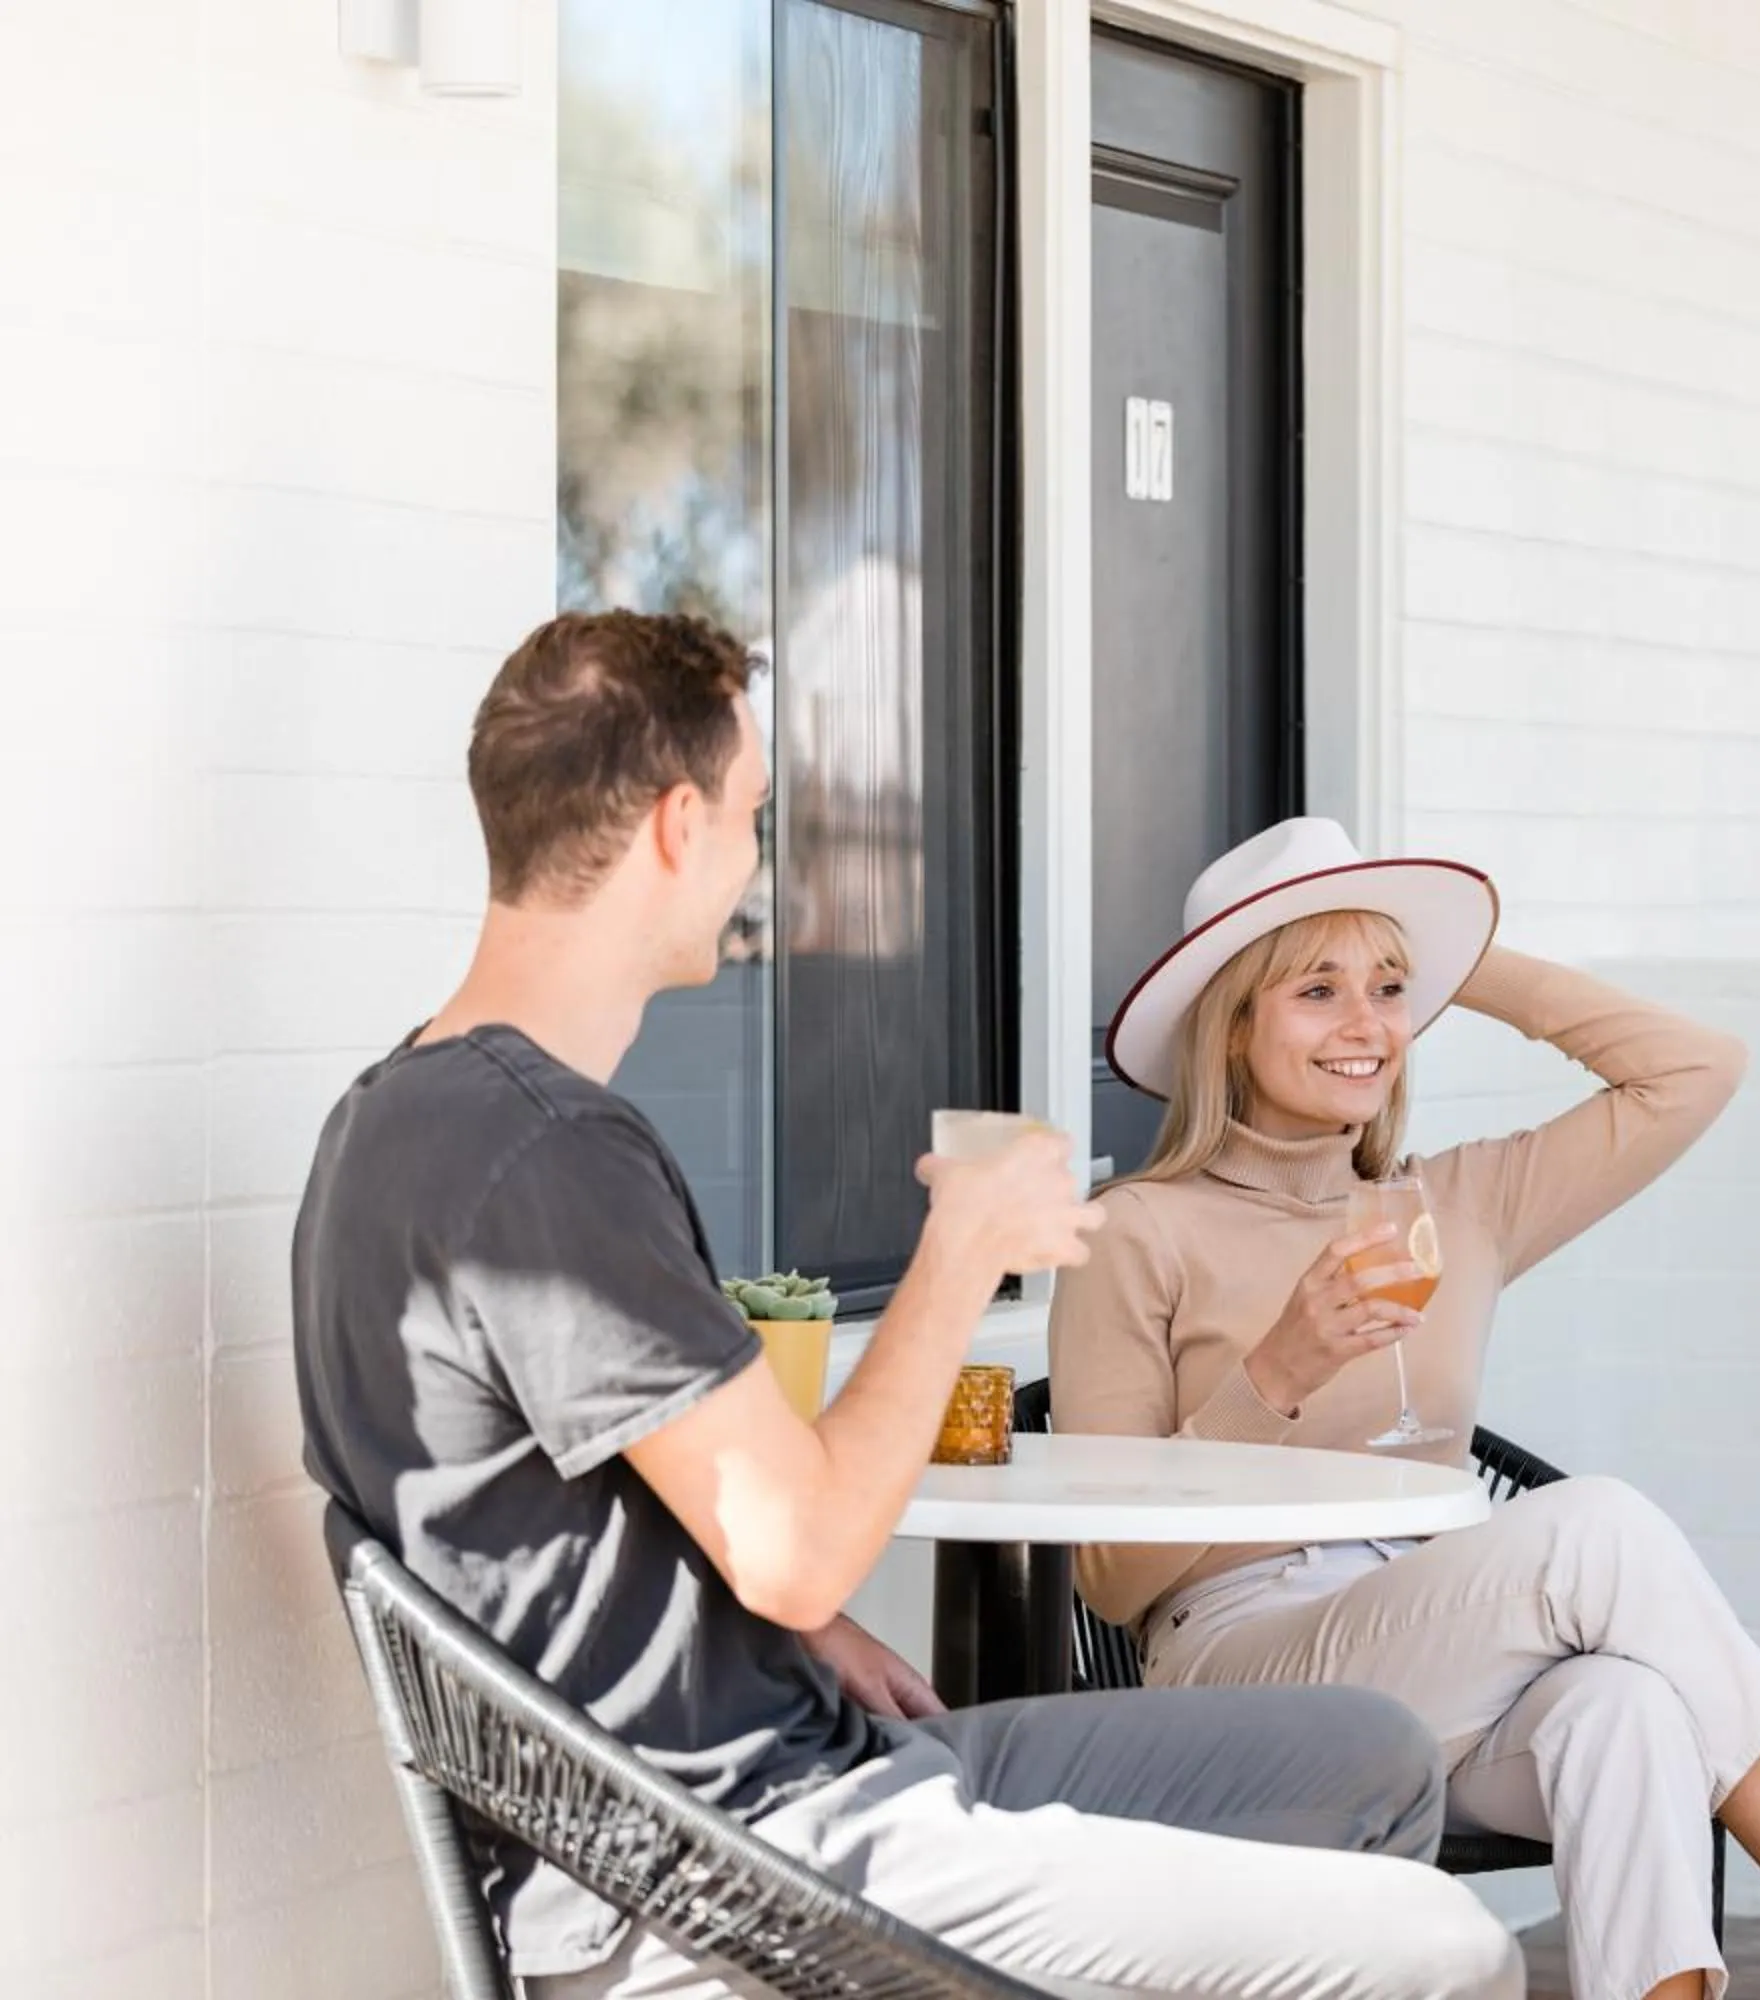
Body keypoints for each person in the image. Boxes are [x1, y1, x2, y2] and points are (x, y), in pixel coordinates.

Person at [294, 614, 1520, 2000]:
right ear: (677, 826)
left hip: (811, 1763)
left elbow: (603, 1503)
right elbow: (800, 1547)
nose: (762, 861)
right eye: (756, 818)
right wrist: (961, 1255)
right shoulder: (545, 1151)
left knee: (1369, 1757)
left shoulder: (402, 1112)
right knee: (1453, 1951)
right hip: (740, 1864)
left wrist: (813, 1638)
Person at [1048, 817, 1760, 2000]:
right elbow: (1112, 1575)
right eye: (1317, 990)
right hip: (1244, 1677)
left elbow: (1695, 1067)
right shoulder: (1132, 1231)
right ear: (1232, 1020)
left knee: (1630, 1707)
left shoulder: (1455, 1202)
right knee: (1595, 1522)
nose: (1368, 1028)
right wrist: (1278, 1373)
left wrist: (1462, 965)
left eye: (1392, 990)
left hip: (1435, 1649)